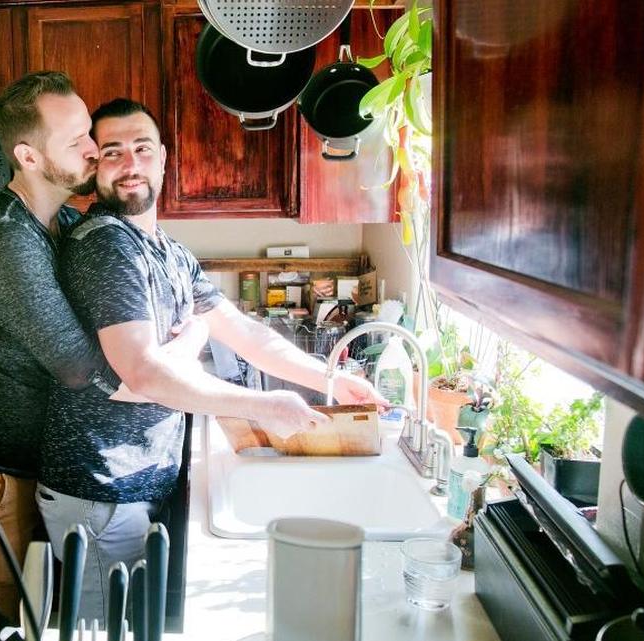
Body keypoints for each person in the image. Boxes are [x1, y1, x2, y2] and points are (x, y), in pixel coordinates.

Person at [38, 98, 387, 623]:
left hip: (132, 487)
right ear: (95, 166)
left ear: (163, 159)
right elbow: (145, 373)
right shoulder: (106, 246)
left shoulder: (167, 250)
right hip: (100, 492)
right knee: (106, 632)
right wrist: (264, 405)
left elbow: (243, 330)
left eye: (141, 148)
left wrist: (331, 379)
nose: (130, 163)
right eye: (112, 152)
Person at [0, 73, 204, 621]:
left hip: (31, 467)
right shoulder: (4, 240)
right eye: (76, 138)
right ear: (28, 156)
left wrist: (191, 331)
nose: (93, 148)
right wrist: (169, 362)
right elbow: (85, 369)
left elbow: (168, 300)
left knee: (41, 624)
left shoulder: (65, 222)